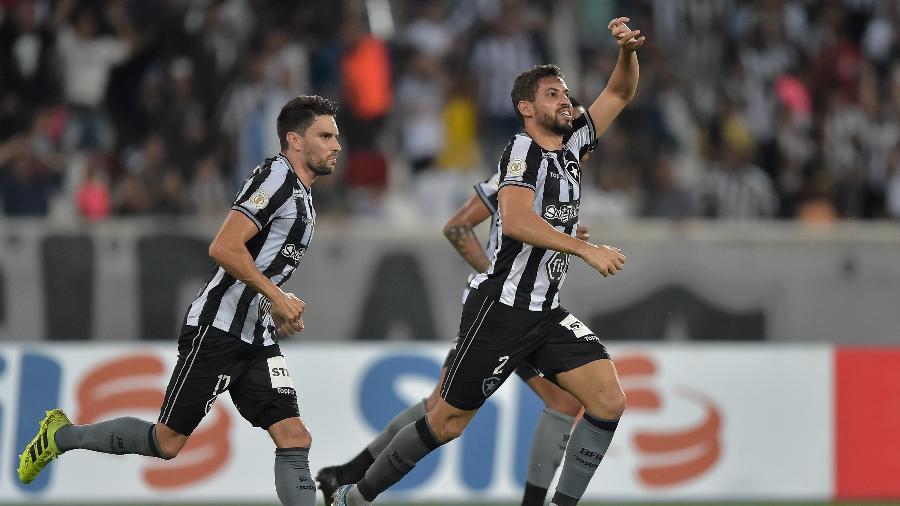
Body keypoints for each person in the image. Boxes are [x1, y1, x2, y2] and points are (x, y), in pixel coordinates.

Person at [332, 17, 643, 506]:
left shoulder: (573, 145)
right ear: (525, 108)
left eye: (565, 93)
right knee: (445, 421)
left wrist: (625, 52)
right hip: (501, 311)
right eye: (552, 95)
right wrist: (583, 248)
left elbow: (620, 93)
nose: (565, 101)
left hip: (544, 312)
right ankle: (356, 495)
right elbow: (515, 220)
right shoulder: (521, 151)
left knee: (608, 400)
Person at [17, 95, 342, 506]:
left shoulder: (303, 194)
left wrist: (277, 299)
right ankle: (61, 435)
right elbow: (223, 247)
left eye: (336, 136)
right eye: (325, 135)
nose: (336, 145)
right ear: (295, 140)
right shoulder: (275, 178)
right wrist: (276, 295)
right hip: (218, 329)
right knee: (167, 442)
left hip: (255, 334)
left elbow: (260, 259)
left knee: (295, 436)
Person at [317, 110, 593, 504]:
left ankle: (345, 474)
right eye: (577, 125)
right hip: (506, 312)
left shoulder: (557, 176)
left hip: (516, 312)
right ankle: (351, 481)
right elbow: (458, 226)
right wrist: (501, 280)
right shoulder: (524, 167)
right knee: (537, 403)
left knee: (444, 406)